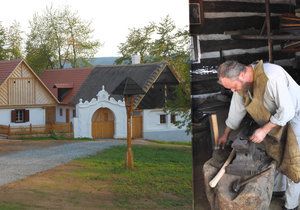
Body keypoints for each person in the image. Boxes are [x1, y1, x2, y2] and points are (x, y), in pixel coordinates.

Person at [217, 60, 300, 210]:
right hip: (277, 117)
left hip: (296, 115)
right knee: (279, 152)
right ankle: (279, 189)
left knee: (294, 158)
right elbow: (236, 111)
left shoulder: (272, 76)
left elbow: (287, 111)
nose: (233, 91)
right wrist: (225, 133)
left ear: (242, 74)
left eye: (233, 87)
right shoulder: (241, 86)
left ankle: (291, 205)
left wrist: (264, 130)